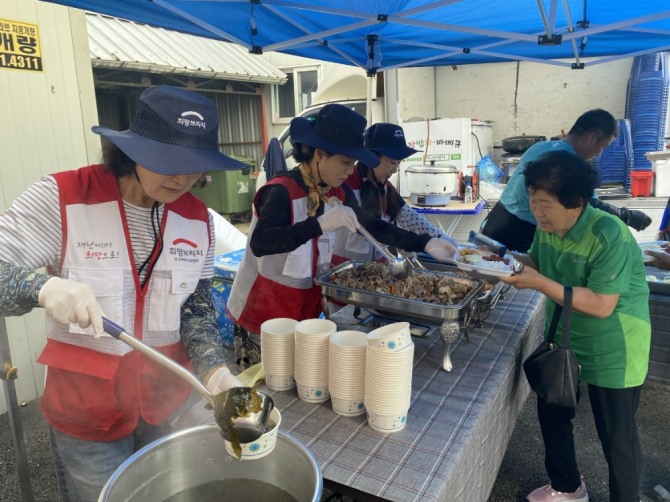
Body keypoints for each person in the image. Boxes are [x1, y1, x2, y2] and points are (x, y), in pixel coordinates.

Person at [0, 85, 245, 501]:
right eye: (168, 160)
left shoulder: (197, 219)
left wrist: (213, 370)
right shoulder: (64, 197)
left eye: (194, 165)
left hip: (163, 405)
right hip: (87, 415)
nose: (181, 178)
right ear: (133, 149)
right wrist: (40, 286)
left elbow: (196, 310)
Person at [226, 104, 457, 368]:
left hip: (307, 312)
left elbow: (372, 226)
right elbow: (262, 243)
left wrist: (426, 242)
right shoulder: (280, 191)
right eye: (346, 162)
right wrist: (319, 224)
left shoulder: (335, 191)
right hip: (263, 315)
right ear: (320, 154)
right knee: (264, 385)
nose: (350, 171)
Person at [500, 150, 650, 502]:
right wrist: (500, 259)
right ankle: (567, 486)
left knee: (616, 437)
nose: (537, 212)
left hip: (614, 344)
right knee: (552, 411)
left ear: (577, 202)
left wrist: (537, 282)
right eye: (533, 201)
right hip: (566, 335)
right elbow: (535, 262)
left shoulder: (608, 233)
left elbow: (601, 304)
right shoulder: (548, 227)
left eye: (545, 203)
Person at [482, 109, 652, 252]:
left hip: (496, 221)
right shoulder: (564, 160)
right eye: (603, 146)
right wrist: (626, 216)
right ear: (592, 137)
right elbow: (587, 203)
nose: (600, 153)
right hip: (518, 232)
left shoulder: (541, 147)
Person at [338, 122, 458, 262]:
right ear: (371, 158)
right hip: (344, 266)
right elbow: (371, 226)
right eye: (392, 163)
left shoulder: (386, 188)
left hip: (375, 267)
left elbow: (410, 218)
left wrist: (441, 238)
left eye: (399, 164)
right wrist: (421, 243)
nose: (395, 170)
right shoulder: (345, 184)